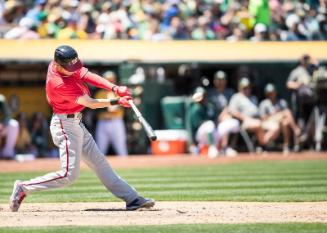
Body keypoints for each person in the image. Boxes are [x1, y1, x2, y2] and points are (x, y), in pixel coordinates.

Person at [9, 45, 155, 212]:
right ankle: (23, 187)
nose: (74, 70)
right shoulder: (57, 83)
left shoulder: (67, 63)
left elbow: (88, 75)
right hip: (65, 125)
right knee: (69, 175)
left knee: (100, 163)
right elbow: (90, 103)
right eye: (70, 68)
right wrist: (117, 101)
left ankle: (132, 199)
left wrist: (114, 88)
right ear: (57, 65)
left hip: (76, 123)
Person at [229, 77, 276, 148]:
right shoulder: (236, 97)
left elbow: (259, 113)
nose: (246, 89)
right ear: (239, 88)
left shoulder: (253, 98)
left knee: (275, 127)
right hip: (246, 122)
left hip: (258, 120)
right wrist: (244, 117)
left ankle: (264, 142)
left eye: (248, 87)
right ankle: (264, 146)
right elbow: (232, 111)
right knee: (258, 124)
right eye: (244, 87)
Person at [259, 84, 301, 154]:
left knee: (285, 122)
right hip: (269, 122)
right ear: (266, 94)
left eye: (272, 92)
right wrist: (275, 115)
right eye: (269, 93)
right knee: (286, 112)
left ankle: (286, 146)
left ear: (275, 92)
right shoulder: (264, 103)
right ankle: (296, 129)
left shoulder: (281, 102)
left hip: (280, 123)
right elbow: (262, 118)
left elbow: (287, 118)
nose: (271, 95)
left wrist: (278, 116)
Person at [95, 71, 128, 156]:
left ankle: (127, 166)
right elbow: (99, 108)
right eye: (108, 80)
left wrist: (111, 107)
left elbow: (117, 108)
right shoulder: (100, 93)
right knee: (100, 148)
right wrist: (109, 107)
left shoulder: (119, 92)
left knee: (121, 147)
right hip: (103, 122)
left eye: (112, 80)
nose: (110, 82)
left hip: (116, 122)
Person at [208, 71, 239, 156]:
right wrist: (220, 116)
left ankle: (228, 148)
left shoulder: (230, 92)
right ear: (214, 81)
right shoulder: (210, 94)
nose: (220, 82)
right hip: (214, 123)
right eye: (218, 80)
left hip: (227, 119)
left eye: (222, 80)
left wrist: (226, 114)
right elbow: (210, 110)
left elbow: (232, 107)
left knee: (234, 124)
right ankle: (215, 147)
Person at [0, 94, 19, 159]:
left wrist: (3, 124)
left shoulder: (1, 99)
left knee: (13, 124)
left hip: (1, 125)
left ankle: (7, 152)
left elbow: (7, 115)